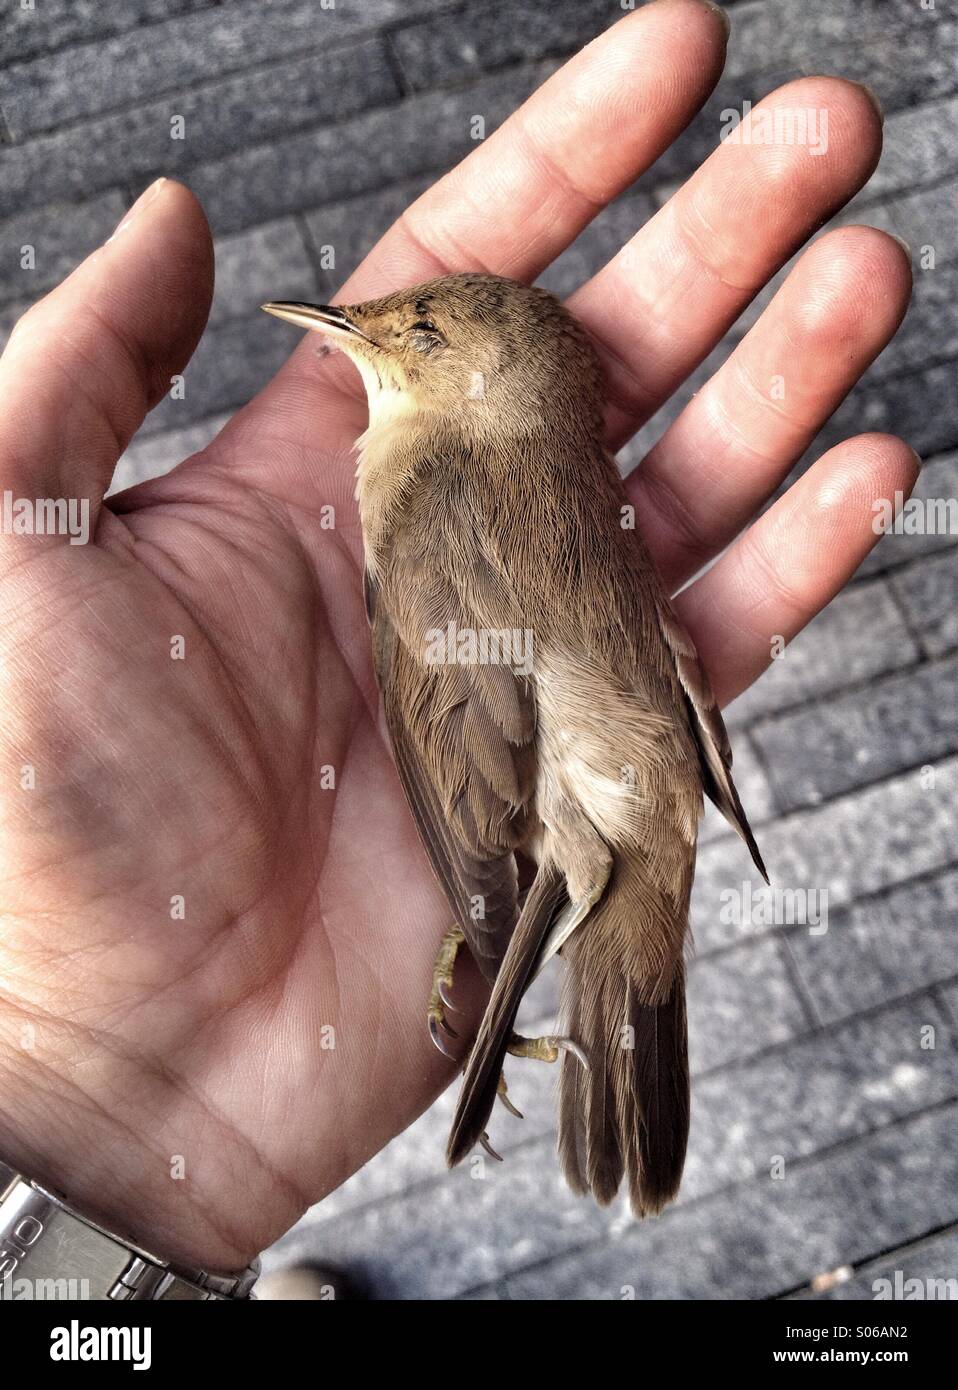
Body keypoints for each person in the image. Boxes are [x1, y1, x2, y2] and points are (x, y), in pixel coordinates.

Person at [0, 0, 916, 1278]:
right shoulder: (470, 462)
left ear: (485, 382)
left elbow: (475, 740)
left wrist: (497, 904)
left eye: (419, 335)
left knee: (579, 868)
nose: (371, 332)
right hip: (604, 774)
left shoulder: (424, 484)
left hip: (573, 799)